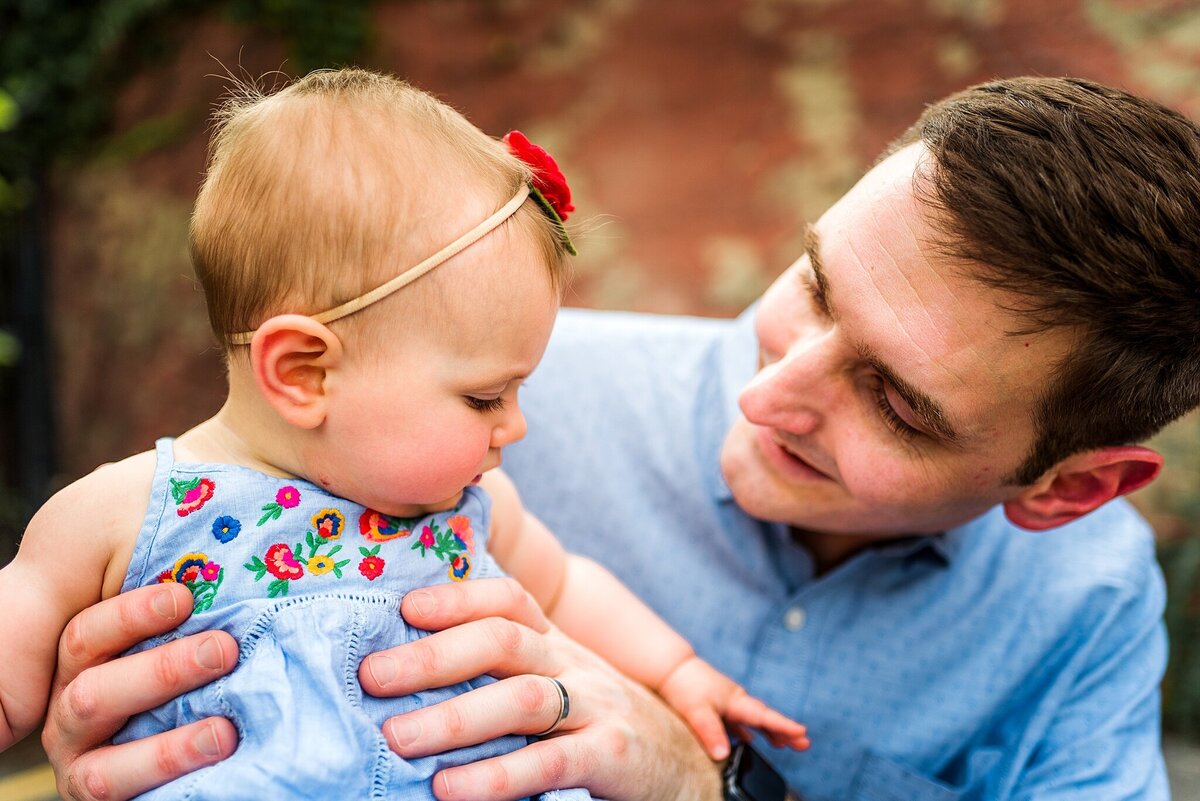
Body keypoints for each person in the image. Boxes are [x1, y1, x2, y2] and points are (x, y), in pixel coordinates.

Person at [35, 75, 1199, 801]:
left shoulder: (1082, 605)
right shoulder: (444, 375)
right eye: (815, 284)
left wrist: (714, 787)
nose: (767, 390)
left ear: (1071, 486)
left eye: (896, 401)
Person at [0, 68, 811, 800]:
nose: (516, 426)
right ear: (305, 372)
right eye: (486, 396)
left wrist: (676, 671)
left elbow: (565, 588)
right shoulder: (126, 511)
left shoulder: (475, 504)